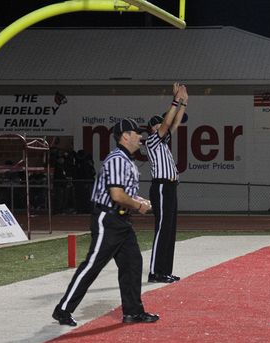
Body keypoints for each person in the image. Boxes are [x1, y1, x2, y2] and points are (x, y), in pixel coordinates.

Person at [52, 118, 159, 326]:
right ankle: (63, 309)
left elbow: (123, 193)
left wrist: (138, 200)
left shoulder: (125, 159)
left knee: (132, 264)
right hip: (108, 218)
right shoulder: (118, 159)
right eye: (136, 133)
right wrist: (138, 206)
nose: (140, 137)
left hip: (120, 219)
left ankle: (133, 312)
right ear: (125, 136)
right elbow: (117, 195)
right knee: (92, 265)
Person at [144, 83, 188, 284]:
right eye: (161, 124)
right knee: (162, 228)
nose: (166, 126)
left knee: (169, 229)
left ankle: (165, 271)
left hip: (170, 187)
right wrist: (175, 101)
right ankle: (155, 272)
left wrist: (184, 103)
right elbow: (167, 124)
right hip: (161, 186)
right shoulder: (152, 140)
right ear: (154, 127)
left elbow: (175, 124)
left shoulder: (162, 142)